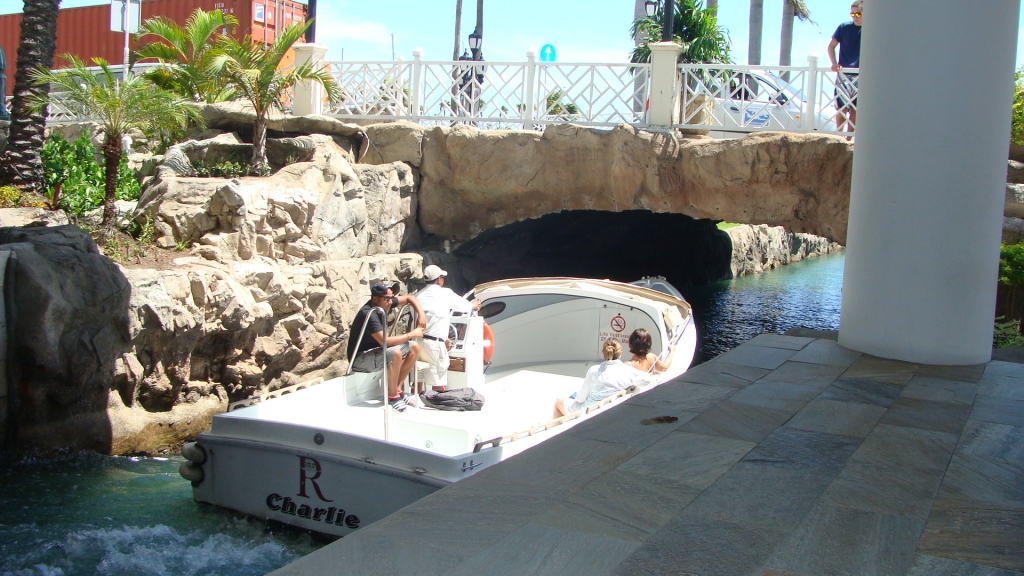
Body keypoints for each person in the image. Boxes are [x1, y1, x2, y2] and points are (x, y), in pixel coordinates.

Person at [347, 282, 425, 411]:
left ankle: (398, 389)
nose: (390, 301)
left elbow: (409, 298)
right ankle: (392, 396)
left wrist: (421, 314)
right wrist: (410, 334)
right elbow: (385, 342)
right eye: (387, 298)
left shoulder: (384, 304)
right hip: (360, 359)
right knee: (395, 352)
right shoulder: (369, 313)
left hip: (375, 353)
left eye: (391, 298)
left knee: (414, 347)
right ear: (375, 299)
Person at [416, 264, 480, 392]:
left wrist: (444, 337)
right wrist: (474, 305)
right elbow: (463, 306)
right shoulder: (445, 293)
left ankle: (416, 398)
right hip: (434, 345)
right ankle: (438, 402)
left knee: (419, 377)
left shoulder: (418, 295)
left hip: (419, 342)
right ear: (439, 279)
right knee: (438, 379)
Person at [553, 339, 654, 418]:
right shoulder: (628, 371)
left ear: (603, 353)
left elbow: (580, 398)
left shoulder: (594, 370)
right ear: (620, 353)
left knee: (559, 403)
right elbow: (647, 380)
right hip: (609, 409)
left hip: (588, 411)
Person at [828, 1, 863, 135]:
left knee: (855, 110)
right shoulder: (844, 27)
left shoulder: (870, 30)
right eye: (852, 13)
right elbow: (831, 46)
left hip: (860, 75)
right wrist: (834, 63)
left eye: (858, 13)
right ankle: (839, 137)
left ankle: (849, 139)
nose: (855, 16)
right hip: (844, 75)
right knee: (841, 108)